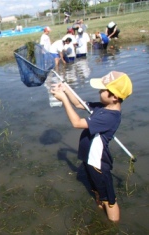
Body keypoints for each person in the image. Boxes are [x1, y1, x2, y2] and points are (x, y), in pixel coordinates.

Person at [50, 71, 133, 222]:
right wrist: (66, 89)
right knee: (97, 191)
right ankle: (99, 215)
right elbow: (78, 103)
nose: (99, 91)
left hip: (98, 163)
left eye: (102, 90)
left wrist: (63, 100)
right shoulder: (103, 107)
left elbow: (77, 123)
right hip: (89, 160)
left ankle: (113, 226)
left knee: (110, 200)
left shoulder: (110, 117)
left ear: (114, 96)